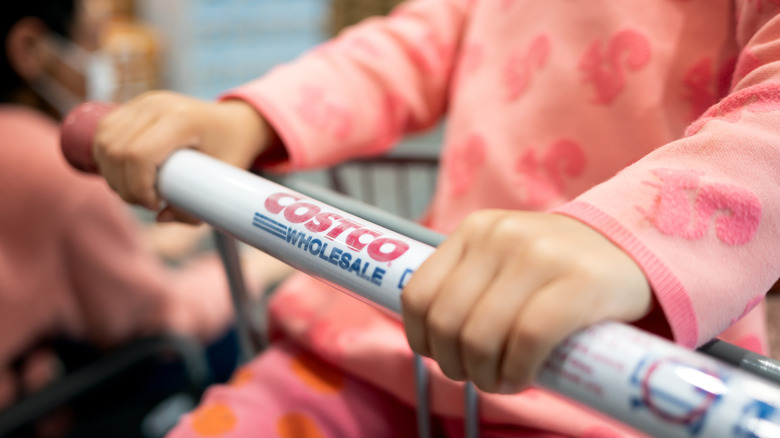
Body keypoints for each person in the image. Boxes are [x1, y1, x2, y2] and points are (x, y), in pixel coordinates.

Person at [87, 0, 779, 436]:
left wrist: (627, 237)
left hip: (629, 389)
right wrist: (248, 116)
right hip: (380, 346)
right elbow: (408, 47)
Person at [0, 0, 291, 424]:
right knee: (217, 343)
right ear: (30, 49)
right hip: (28, 407)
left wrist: (151, 244)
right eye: (91, 38)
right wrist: (251, 268)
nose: (102, 57)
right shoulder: (50, 167)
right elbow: (159, 319)